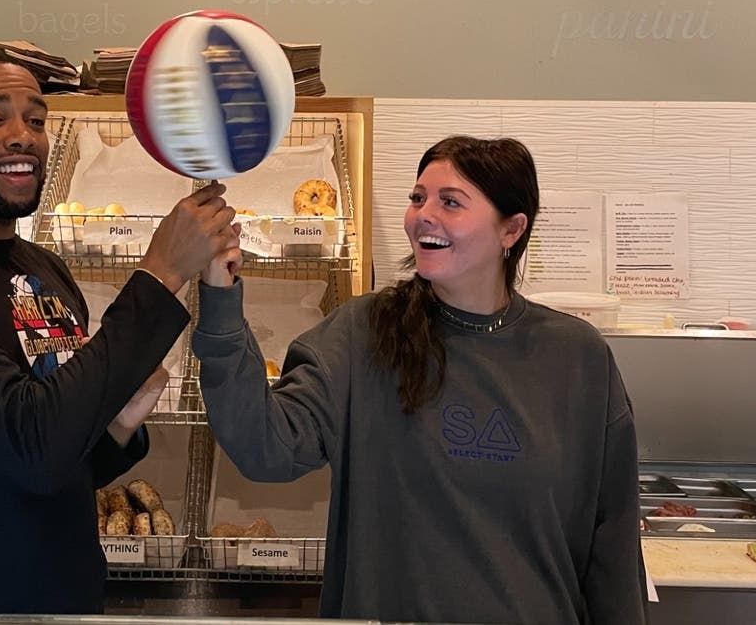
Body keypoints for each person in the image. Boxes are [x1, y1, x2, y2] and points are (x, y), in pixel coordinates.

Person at [194, 135, 649, 624]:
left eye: (450, 202)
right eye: (417, 198)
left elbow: (614, 545)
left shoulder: (577, 358)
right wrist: (220, 299)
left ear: (511, 229)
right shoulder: (364, 334)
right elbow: (263, 445)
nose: (422, 215)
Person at [0, 49, 238, 614]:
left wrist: (116, 426)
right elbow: (28, 445)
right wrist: (161, 273)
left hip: (66, 600)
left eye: (36, 120)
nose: (24, 136)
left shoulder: (43, 268)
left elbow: (62, 464)